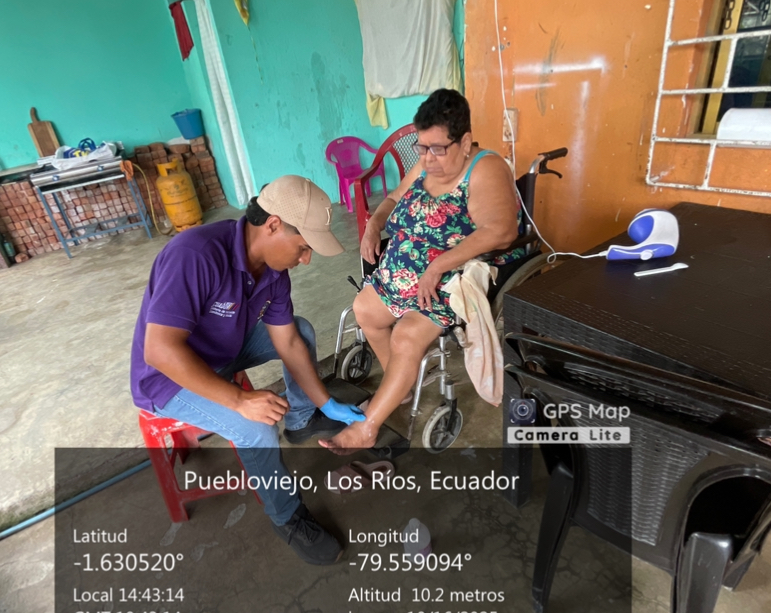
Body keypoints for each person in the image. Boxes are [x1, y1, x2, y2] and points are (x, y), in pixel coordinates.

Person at [130, 175, 362, 565]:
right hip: (168, 378)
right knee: (254, 427)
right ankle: (286, 516)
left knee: (301, 331)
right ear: (273, 225)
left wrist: (326, 401)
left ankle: (303, 417)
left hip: (224, 351)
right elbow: (159, 350)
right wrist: (239, 400)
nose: (306, 260)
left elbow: (288, 342)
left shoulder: (274, 271)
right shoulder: (196, 255)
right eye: (303, 247)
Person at [321, 89, 526, 453]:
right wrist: (373, 225)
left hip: (448, 278)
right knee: (364, 310)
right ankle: (400, 385)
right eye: (422, 147)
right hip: (404, 271)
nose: (428, 158)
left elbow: (502, 231)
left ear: (465, 142)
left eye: (438, 148)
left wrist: (438, 266)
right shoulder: (427, 164)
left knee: (405, 337)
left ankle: (368, 427)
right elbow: (393, 198)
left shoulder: (486, 169)